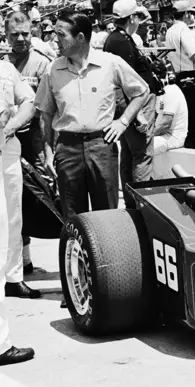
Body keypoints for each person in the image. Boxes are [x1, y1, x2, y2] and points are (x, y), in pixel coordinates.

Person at [35, 11, 149, 221]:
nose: (54, 40)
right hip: (67, 149)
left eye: (61, 35)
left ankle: (107, 254)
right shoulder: (53, 69)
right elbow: (46, 114)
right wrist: (49, 151)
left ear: (80, 38)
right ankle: (76, 254)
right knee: (72, 217)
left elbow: (141, 91)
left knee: (107, 215)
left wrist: (122, 122)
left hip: (102, 145)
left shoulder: (110, 63)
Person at [6, 10, 52, 280]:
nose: (21, 39)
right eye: (15, 35)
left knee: (36, 196)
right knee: (11, 200)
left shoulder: (42, 64)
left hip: (33, 139)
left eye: (25, 33)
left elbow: (46, 111)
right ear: (6, 35)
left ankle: (27, 254)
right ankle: (20, 258)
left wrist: (47, 150)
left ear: (33, 31)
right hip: (7, 140)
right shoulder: (4, 63)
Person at [104, 0, 162, 206]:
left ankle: (132, 204)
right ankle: (142, 205)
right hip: (136, 104)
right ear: (132, 18)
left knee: (129, 155)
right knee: (142, 155)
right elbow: (125, 82)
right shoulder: (121, 41)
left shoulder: (117, 38)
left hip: (131, 105)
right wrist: (136, 113)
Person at [1, 59, 39, 300]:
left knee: (13, 215)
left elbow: (29, 101)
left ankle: (13, 278)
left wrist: (10, 126)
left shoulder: (6, 69)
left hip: (6, 148)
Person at [166, 0, 195, 148]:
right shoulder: (183, 30)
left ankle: (188, 157)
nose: (192, 15)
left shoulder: (169, 31)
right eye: (191, 12)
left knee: (189, 122)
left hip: (180, 78)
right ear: (186, 14)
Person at [153, 67, 189, 155]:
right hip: (162, 135)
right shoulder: (160, 91)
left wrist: (147, 136)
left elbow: (165, 125)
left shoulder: (170, 91)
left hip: (172, 137)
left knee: (140, 149)